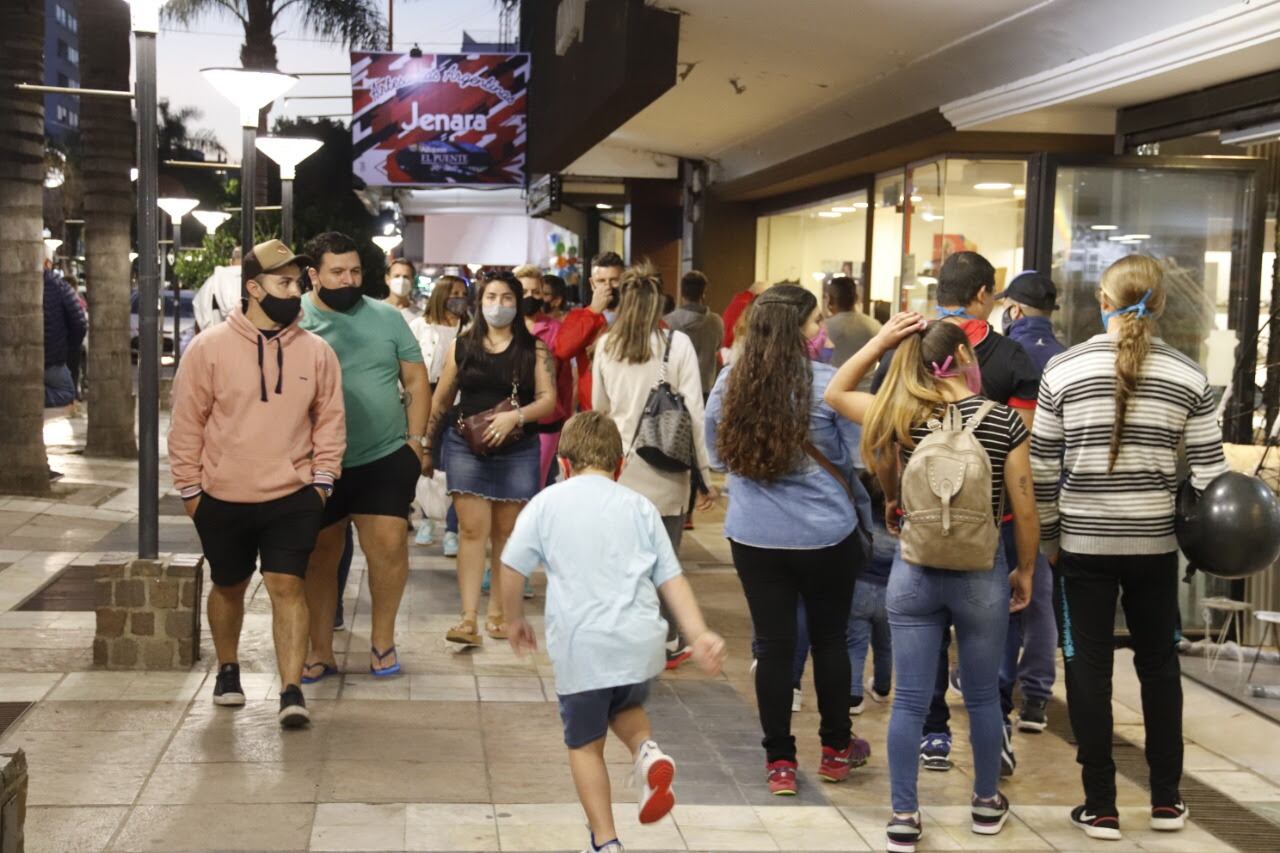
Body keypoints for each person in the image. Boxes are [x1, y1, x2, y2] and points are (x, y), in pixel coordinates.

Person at [826, 315, 1040, 851]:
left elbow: (835, 391)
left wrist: (882, 340)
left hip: (915, 571)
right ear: (966, 360)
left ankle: (903, 814)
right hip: (980, 574)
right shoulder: (1003, 423)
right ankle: (986, 805)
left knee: (910, 703)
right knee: (985, 699)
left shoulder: (902, 414)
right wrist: (1027, 570)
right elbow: (1027, 510)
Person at [1032, 255, 1228, 841]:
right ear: (1162, 305)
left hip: (1081, 546)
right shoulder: (1189, 377)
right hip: (1155, 546)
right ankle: (1167, 801)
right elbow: (1210, 478)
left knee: (1087, 669)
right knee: (1159, 667)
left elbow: (1043, 469)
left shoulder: (1063, 370)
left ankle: (1102, 806)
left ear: (1102, 300)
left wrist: (1047, 539)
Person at [498, 411, 727, 853]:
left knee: (584, 744)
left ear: (563, 464)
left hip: (584, 645)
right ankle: (647, 752)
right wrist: (697, 633)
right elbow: (671, 578)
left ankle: (605, 842)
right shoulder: (639, 506)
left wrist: (514, 618)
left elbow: (511, 567)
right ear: (619, 466)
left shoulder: (548, 502)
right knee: (624, 704)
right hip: (639, 642)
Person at [870, 251, 1040, 777]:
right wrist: (1028, 567)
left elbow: (871, 434)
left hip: (919, 541)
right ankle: (991, 777)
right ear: (984, 293)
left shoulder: (905, 362)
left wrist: (892, 497)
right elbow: (1024, 473)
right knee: (987, 676)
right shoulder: (1012, 358)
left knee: (912, 687)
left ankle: (931, 743)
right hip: (988, 536)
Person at [168, 239, 345, 728]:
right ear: (253, 287)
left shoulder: (316, 352)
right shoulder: (208, 350)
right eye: (285, 283)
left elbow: (330, 420)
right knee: (229, 585)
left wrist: (322, 483)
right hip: (221, 496)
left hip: (293, 495)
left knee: (288, 586)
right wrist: (191, 494)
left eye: (298, 282)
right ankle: (228, 670)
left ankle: (291, 690)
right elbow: (187, 424)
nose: (296, 291)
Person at [705, 283, 872, 796]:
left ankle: (779, 761)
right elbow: (856, 458)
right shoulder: (829, 384)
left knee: (774, 647)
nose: (822, 331)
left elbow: (717, 454)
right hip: (827, 535)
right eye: (816, 322)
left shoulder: (730, 382)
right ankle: (835, 749)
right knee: (830, 640)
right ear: (798, 329)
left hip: (755, 537)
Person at [298, 232, 429, 682]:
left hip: (384, 456)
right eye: (338, 272)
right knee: (319, 555)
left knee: (388, 549)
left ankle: (382, 641)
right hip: (316, 460)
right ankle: (319, 649)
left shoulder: (386, 318)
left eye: (355, 271)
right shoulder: (295, 318)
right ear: (314, 274)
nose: (349, 279)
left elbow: (415, 380)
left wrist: (416, 443)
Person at [593, 265, 717, 669]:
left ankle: (624, 634)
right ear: (659, 301)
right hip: (666, 467)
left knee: (623, 558)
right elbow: (694, 413)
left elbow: (599, 410)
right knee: (665, 559)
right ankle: (665, 638)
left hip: (621, 469)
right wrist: (704, 475)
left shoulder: (606, 345)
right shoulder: (675, 344)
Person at [425, 271, 555, 646]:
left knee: (507, 532)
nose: (499, 305)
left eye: (507, 298)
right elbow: (442, 399)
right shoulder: (462, 346)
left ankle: (498, 611)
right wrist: (426, 445)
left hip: (518, 446)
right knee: (471, 529)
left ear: (518, 303)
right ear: (480, 303)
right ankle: (468, 618)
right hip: (467, 444)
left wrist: (517, 416)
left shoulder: (535, 350)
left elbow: (547, 399)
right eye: (491, 297)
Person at [990, 270, 1065, 733]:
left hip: (1011, 493)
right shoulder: (1066, 358)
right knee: (1041, 596)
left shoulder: (1007, 356)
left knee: (1008, 590)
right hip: (1056, 493)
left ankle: (999, 684)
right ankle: (1037, 696)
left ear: (1013, 310)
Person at [408, 275, 470, 549]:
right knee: (425, 463)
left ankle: (452, 529)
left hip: (458, 404)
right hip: (424, 400)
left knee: (454, 465)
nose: (458, 298)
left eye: (462, 293)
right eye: (453, 292)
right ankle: (427, 520)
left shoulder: (469, 328)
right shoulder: (420, 326)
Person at [554, 251, 625, 413]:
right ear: (592, 284)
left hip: (630, 409)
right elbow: (563, 350)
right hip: (593, 411)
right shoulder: (579, 316)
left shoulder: (638, 315)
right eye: (601, 281)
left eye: (614, 280)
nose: (608, 286)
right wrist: (593, 312)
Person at [846, 473, 894, 715]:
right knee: (885, 645)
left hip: (859, 587)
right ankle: (883, 687)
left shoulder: (862, 519)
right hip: (891, 592)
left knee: (855, 644)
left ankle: (853, 697)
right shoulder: (899, 522)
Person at [664, 270, 724, 399]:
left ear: (682, 293)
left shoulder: (669, 322)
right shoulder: (716, 322)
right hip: (705, 391)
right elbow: (718, 348)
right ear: (703, 293)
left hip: (676, 391)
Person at [43, 267, 86, 409]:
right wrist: (68, 349)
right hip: (51, 359)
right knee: (67, 392)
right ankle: (28, 396)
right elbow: (79, 324)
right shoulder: (59, 286)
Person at [824, 276, 882, 375]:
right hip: (867, 388)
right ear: (856, 298)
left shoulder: (825, 328)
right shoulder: (874, 325)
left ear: (831, 299)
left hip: (833, 386)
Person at [192, 246, 242, 330]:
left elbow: (198, 322)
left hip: (213, 339)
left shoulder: (210, 283)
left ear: (231, 261)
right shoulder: (256, 282)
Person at [721, 279, 770, 350]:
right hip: (735, 348)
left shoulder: (738, 300)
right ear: (759, 295)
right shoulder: (748, 305)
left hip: (727, 349)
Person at [383, 257, 419, 324]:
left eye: (406, 277)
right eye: (397, 276)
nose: (401, 280)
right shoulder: (376, 310)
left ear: (412, 281)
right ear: (387, 279)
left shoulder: (420, 317)